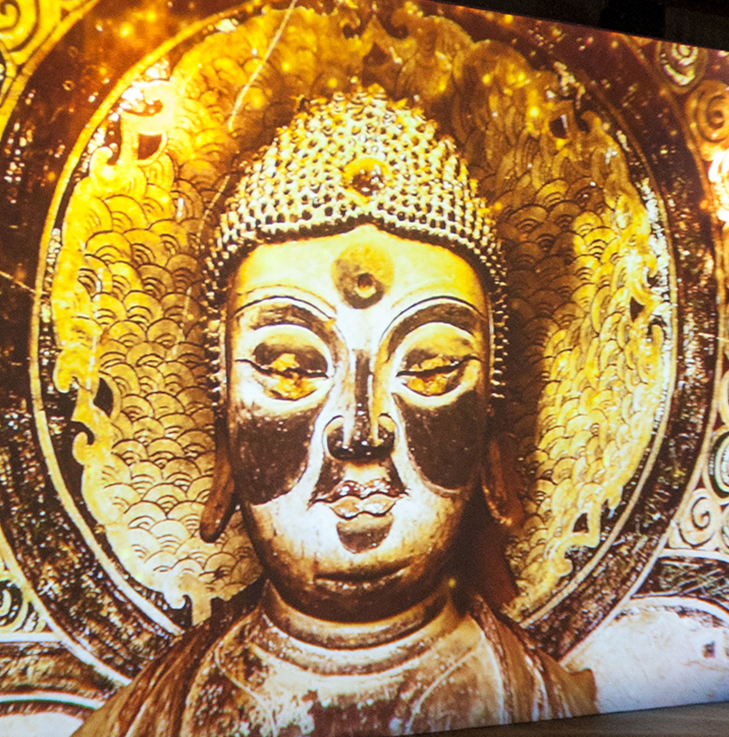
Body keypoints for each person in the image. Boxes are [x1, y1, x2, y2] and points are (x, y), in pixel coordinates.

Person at [73, 92, 596, 736]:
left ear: (489, 430)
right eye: (290, 369)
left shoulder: (551, 705)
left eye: (430, 369)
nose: (360, 431)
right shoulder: (142, 720)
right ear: (225, 430)